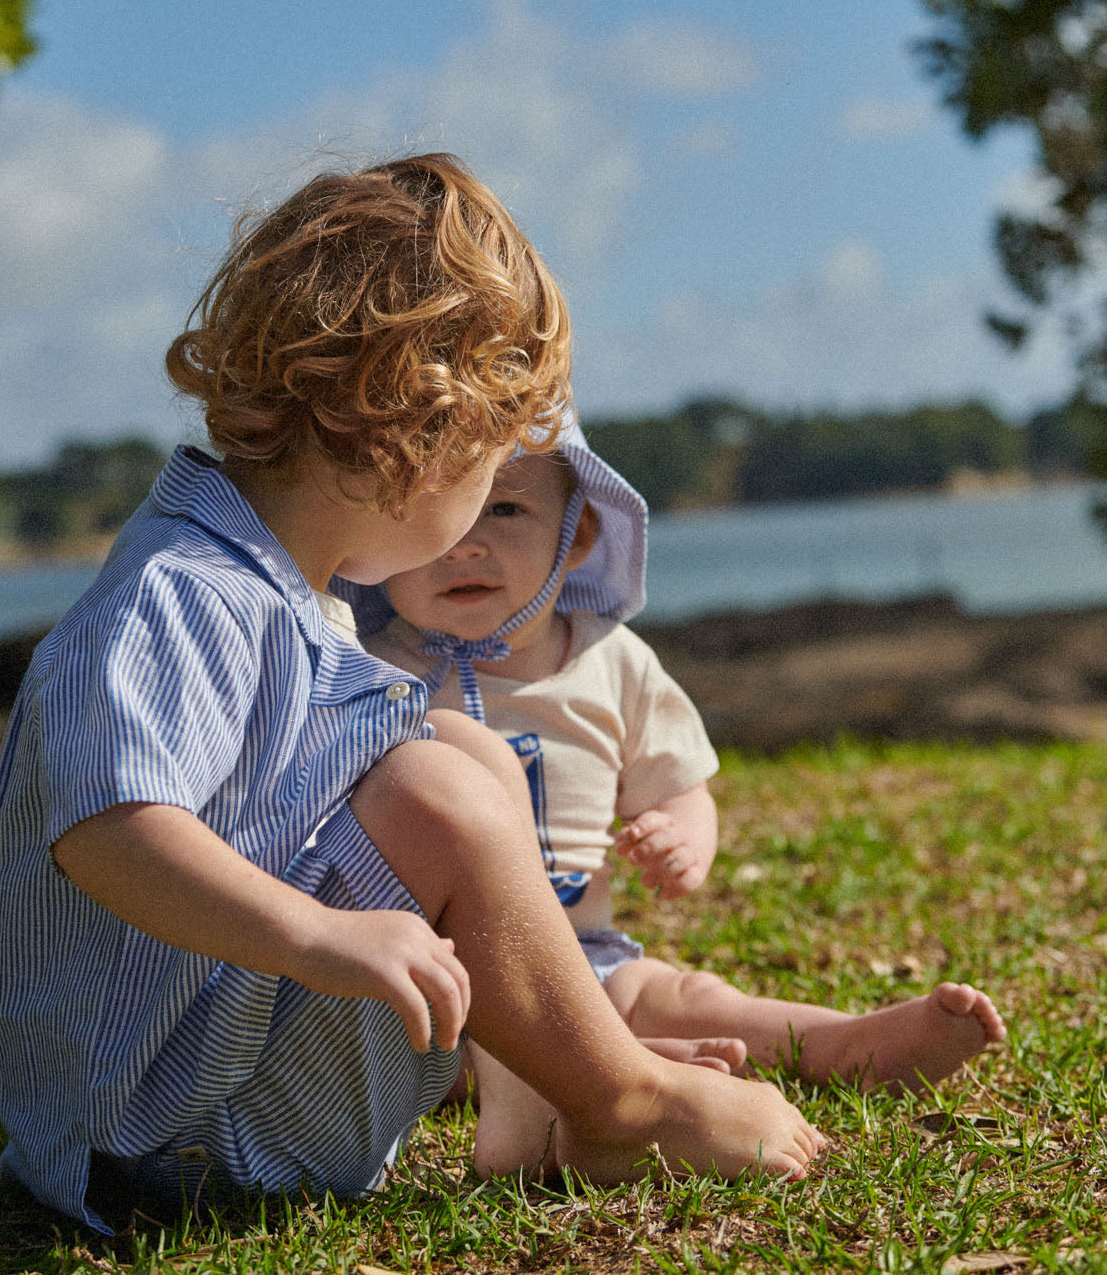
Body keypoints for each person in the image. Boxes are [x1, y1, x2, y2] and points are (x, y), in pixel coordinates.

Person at [0, 153, 824, 1235]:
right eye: (488, 471)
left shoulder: (283, 587)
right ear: (419, 439)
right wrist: (314, 937)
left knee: (458, 754)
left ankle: (549, 1087)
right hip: (164, 1139)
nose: (480, 516)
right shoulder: (182, 593)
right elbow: (107, 832)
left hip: (199, 1081)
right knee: (434, 786)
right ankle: (624, 1101)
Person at [347, 430, 1007, 1176]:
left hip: (584, 956)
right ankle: (603, 1069)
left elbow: (681, 784)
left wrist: (683, 837)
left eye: (501, 510)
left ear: (576, 536)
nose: (466, 544)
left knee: (683, 991)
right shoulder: (369, 669)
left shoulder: (612, 661)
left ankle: (841, 1043)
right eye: (437, 514)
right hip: (436, 975)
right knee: (449, 1051)